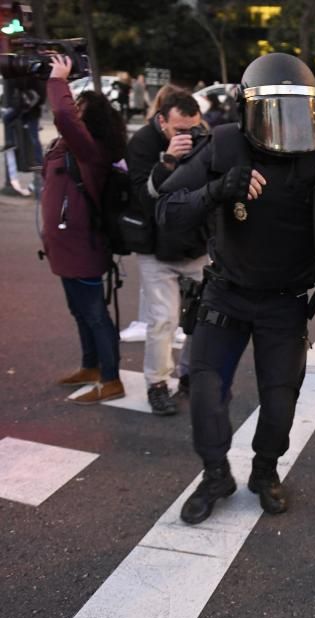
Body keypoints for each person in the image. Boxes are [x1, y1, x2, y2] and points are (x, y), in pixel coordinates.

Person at [155, 53, 315, 524]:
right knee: (205, 392)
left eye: (297, 112)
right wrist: (218, 190)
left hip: (285, 300)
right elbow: (168, 211)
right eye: (273, 112)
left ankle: (265, 471)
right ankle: (215, 474)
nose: (286, 128)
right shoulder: (223, 146)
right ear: (248, 110)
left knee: (280, 399)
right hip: (225, 293)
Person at [40, 55, 128, 403]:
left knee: (94, 313)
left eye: (80, 108)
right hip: (65, 247)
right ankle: (90, 366)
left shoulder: (91, 150)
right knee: (79, 310)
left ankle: (111, 378)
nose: (73, 110)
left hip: (84, 246)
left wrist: (58, 79)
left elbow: (62, 116)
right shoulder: (70, 147)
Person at [126, 90, 210, 416]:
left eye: (193, 128)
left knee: (203, 315)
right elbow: (145, 199)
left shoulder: (205, 138)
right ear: (162, 121)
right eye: (179, 130)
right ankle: (157, 384)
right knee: (163, 319)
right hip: (156, 247)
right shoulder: (143, 143)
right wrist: (168, 160)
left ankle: (189, 373)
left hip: (195, 244)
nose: (187, 136)